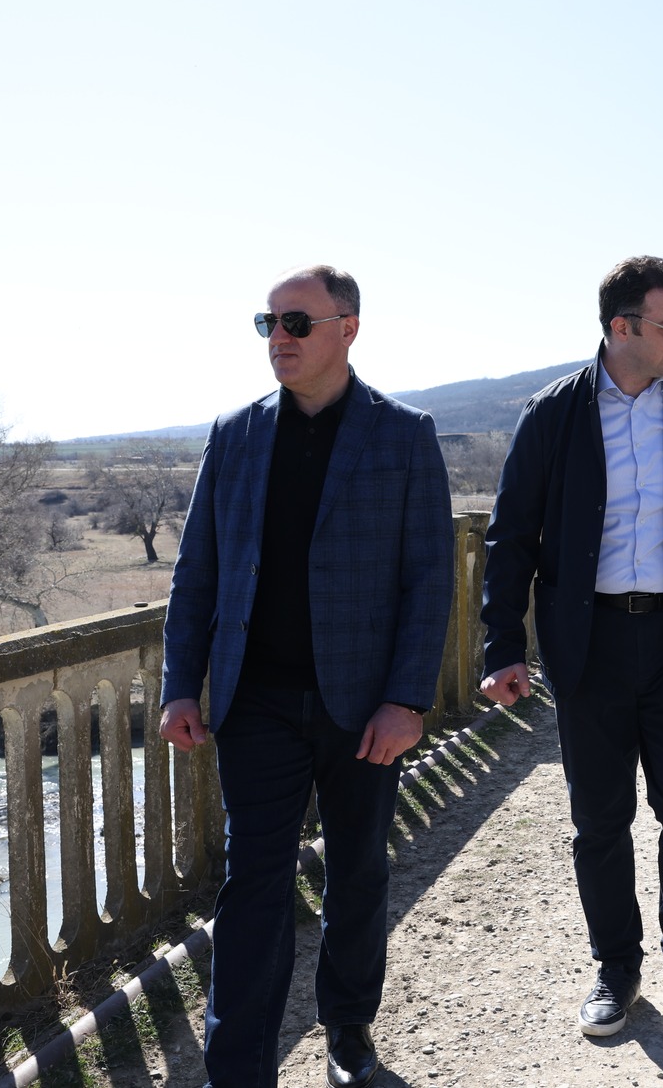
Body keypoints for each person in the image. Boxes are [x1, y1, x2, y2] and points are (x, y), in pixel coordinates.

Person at [160, 264, 453, 1088]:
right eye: (269, 323)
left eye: (297, 322)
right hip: (254, 700)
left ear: (348, 329)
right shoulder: (235, 433)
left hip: (363, 705)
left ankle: (349, 1025)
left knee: (358, 869)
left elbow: (429, 578)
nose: (279, 337)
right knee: (253, 883)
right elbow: (197, 571)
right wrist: (180, 683)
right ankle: (238, 1068)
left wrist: (407, 699)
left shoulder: (404, 434)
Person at [477, 256, 663, 1039]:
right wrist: (504, 645)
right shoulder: (552, 413)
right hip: (589, 642)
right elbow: (511, 535)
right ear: (622, 327)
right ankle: (616, 965)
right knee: (599, 818)